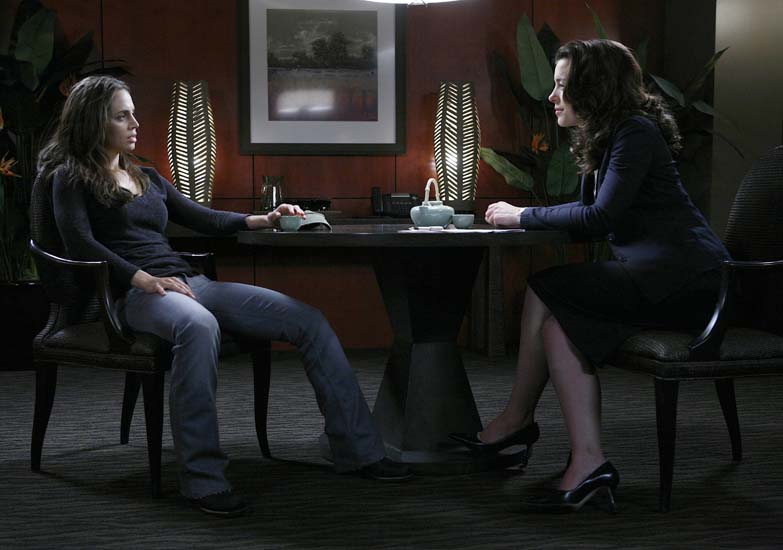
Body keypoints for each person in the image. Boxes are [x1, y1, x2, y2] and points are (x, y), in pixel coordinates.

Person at [37, 75, 411, 518]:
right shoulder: (70, 178)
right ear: (94, 121)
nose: (135, 123)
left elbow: (205, 218)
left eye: (133, 113)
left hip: (191, 283)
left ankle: (359, 451)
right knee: (199, 326)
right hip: (136, 296)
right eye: (123, 116)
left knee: (307, 320)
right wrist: (142, 279)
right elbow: (80, 243)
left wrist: (264, 218)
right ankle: (203, 479)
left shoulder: (146, 176)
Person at [450, 40, 729, 512]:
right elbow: (589, 214)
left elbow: (599, 217)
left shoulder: (635, 132)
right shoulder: (608, 136)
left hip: (692, 284)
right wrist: (528, 216)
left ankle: (516, 420)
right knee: (558, 329)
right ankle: (588, 462)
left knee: (546, 288)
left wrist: (523, 216)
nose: (552, 97)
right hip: (656, 276)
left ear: (594, 88)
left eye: (562, 86)